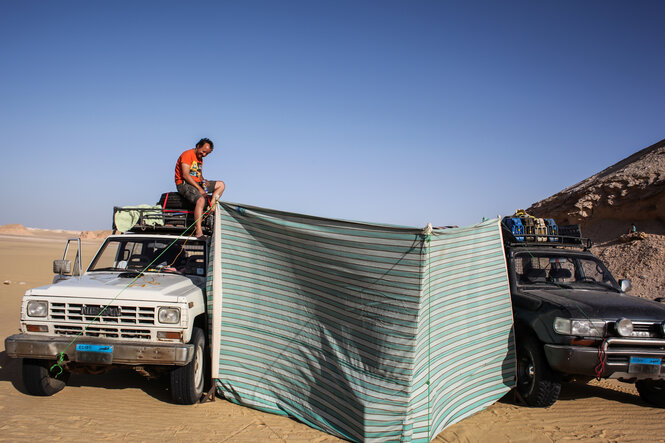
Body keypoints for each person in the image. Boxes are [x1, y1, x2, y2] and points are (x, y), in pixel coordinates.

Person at [174, 138, 225, 237]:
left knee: (221, 185)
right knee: (201, 200)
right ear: (198, 146)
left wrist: (203, 180)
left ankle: (211, 208)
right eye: (203, 152)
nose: (204, 155)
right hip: (184, 184)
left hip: (196, 183)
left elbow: (198, 174)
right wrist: (200, 189)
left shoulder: (200, 158)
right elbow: (186, 175)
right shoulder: (187, 154)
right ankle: (198, 230)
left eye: (207, 154)